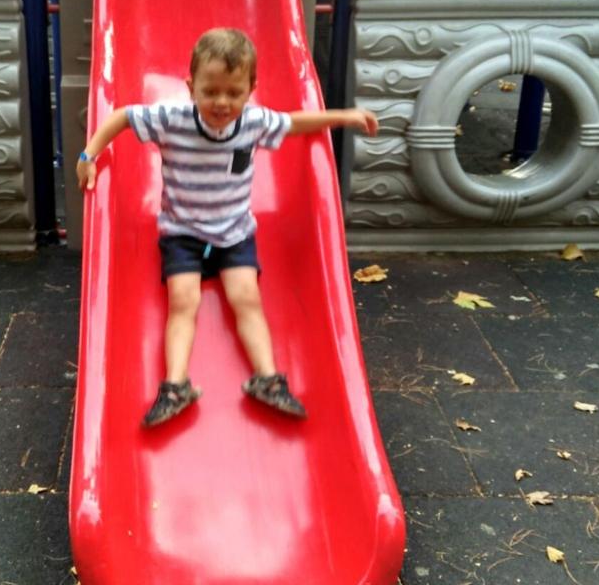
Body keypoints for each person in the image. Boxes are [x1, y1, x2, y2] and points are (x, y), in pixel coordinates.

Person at [76, 28, 378, 427]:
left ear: (251, 89)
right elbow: (122, 117)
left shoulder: (252, 123)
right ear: (191, 87)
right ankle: (175, 385)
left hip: (234, 233)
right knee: (183, 302)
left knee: (247, 299)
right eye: (210, 91)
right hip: (182, 233)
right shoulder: (173, 119)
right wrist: (88, 154)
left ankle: (267, 380)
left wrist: (343, 117)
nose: (221, 102)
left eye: (233, 93)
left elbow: (292, 124)